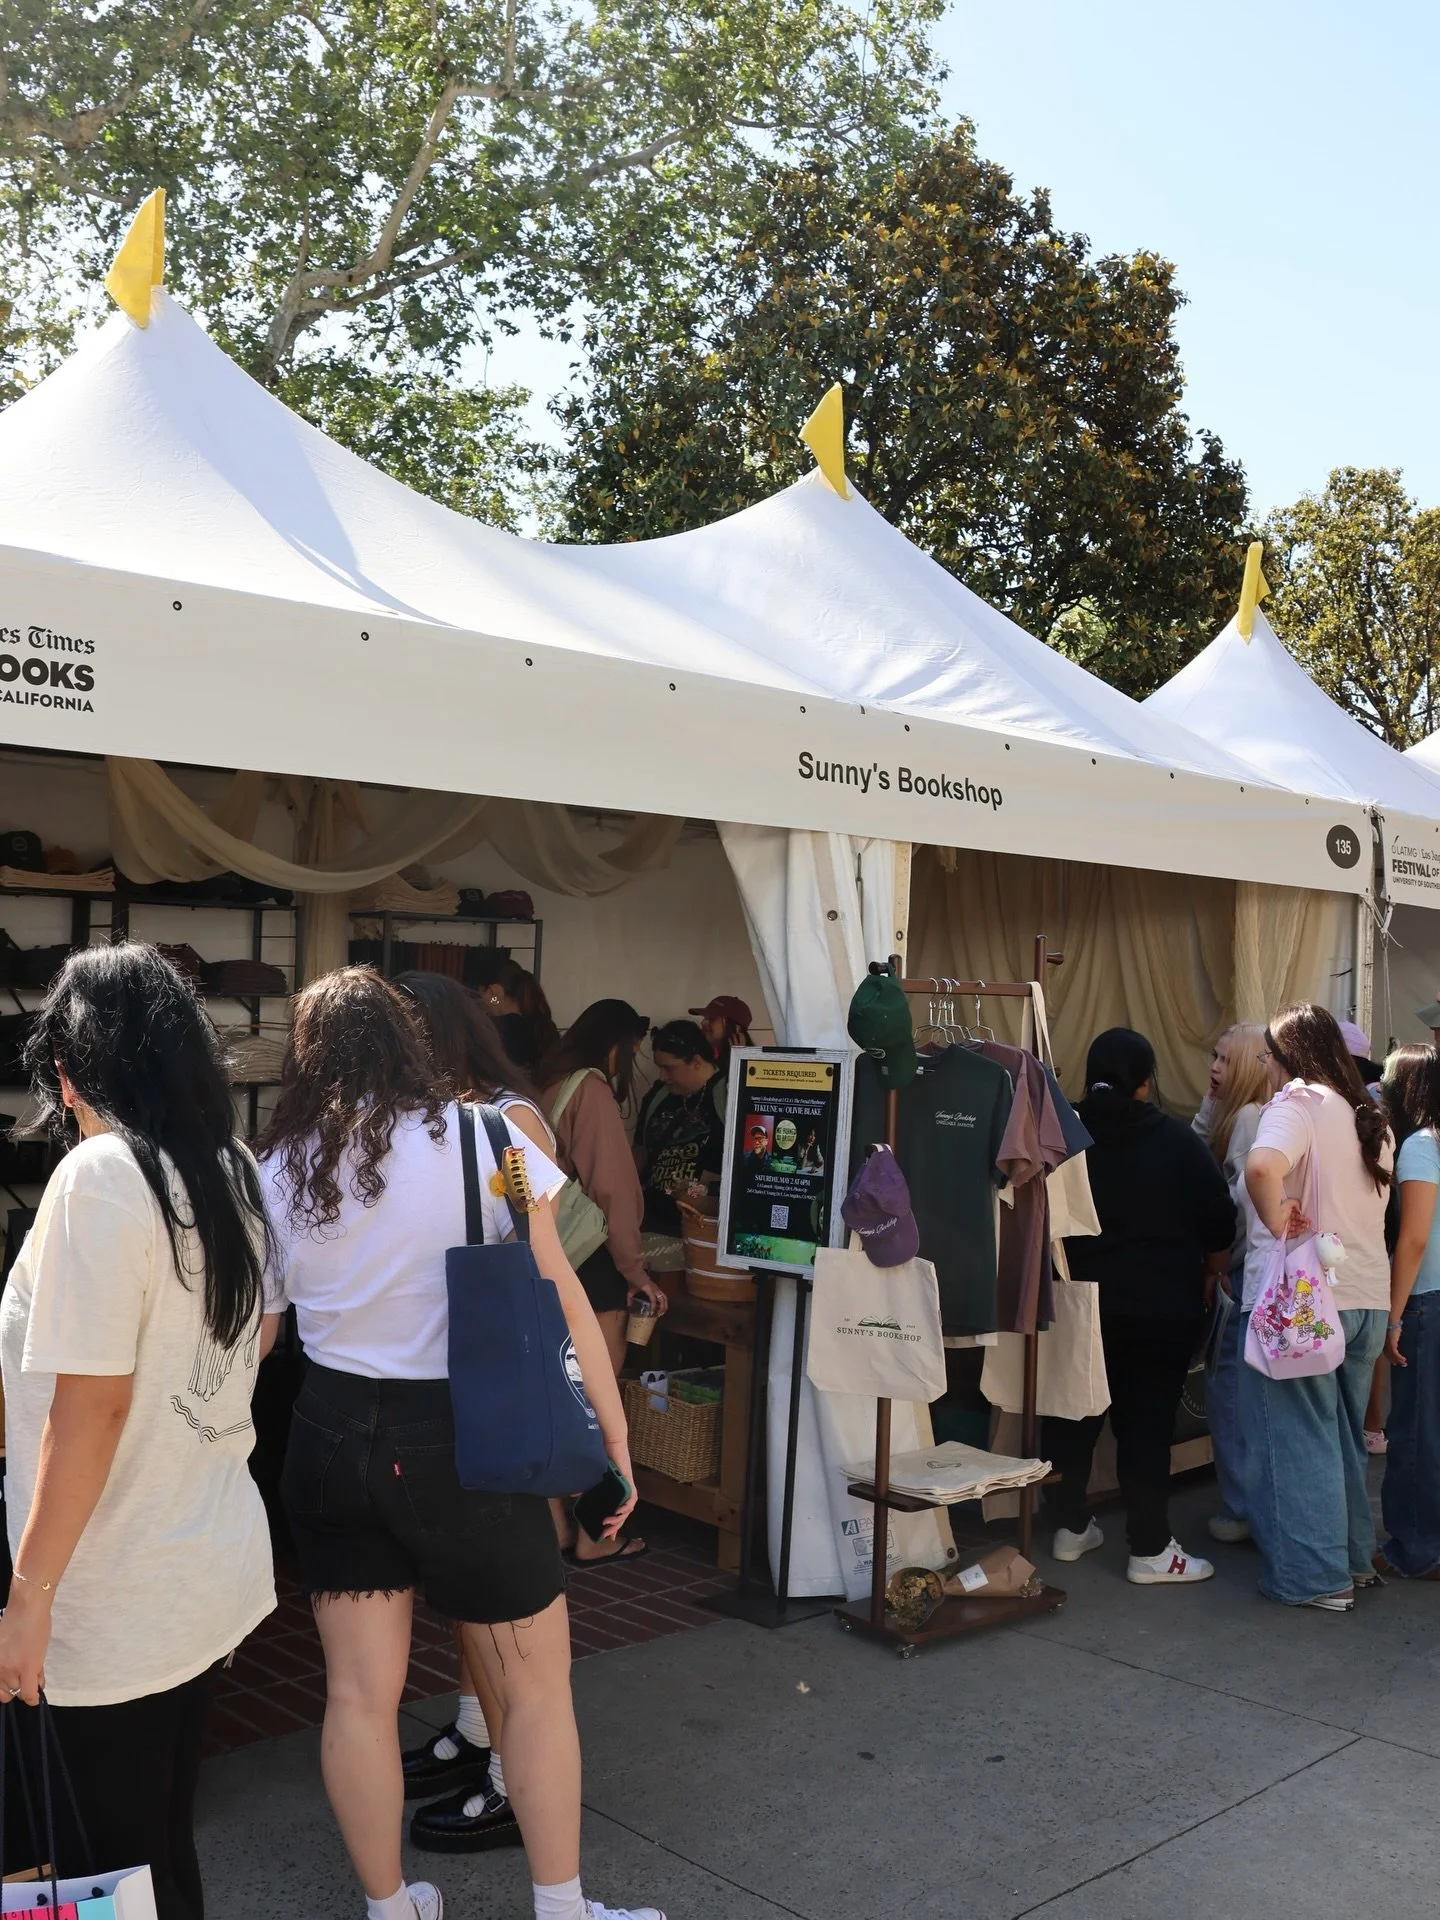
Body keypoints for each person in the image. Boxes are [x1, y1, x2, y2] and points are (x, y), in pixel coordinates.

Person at [259, 967, 663, 1920]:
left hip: (330, 1432)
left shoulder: (277, 1165)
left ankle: (389, 1906)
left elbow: (260, 1337)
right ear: (409, 1040)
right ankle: (561, 1908)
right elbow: (561, 1292)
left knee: (358, 1698)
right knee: (536, 1692)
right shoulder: (491, 1138)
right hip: (465, 1439)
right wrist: (613, 1435)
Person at [0, 945, 276, 1920]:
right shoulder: (230, 1165)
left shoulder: (103, 1176)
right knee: (153, 1858)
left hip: (108, 1590)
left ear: (73, 1069)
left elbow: (94, 1405)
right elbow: (253, 1337)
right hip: (199, 1564)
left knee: (100, 1876)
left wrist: (29, 1597)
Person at [390, 972, 554, 1856]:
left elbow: (540, 1250)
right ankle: (475, 1730)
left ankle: (506, 1777)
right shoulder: (427, 1119)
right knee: (467, 1595)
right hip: (449, 1381)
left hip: (498, 1383)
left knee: (500, 1603)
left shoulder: (507, 1120)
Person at [1045, 1028, 1233, 1585]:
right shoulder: (1176, 1141)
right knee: (1145, 1429)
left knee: (1072, 1419)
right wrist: (1212, 1270)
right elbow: (1219, 1221)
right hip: (1158, 1309)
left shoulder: (1063, 1135)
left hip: (1077, 1303)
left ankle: (1070, 1527)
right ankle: (1149, 1549)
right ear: (1146, 1082)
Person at [1243, 1002, 1394, 1612]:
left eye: (1268, 1056)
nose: (1266, 1067)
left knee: (1300, 1438)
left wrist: (1276, 1216)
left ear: (1287, 1057)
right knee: (1341, 1439)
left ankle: (1316, 1578)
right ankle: (1353, 1560)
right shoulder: (1369, 1116)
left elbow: (1261, 1166)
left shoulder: (1298, 1103)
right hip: (1367, 1299)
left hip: (1310, 1301)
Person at [538, 1000, 664, 1377]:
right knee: (595, 1383)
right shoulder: (589, 1089)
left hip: (546, 1244)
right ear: (614, 1047)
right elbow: (612, 1188)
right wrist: (635, 1271)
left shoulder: (548, 1081)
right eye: (631, 1054)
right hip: (587, 1255)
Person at [1197, 1023, 1273, 1546]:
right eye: (1214, 1056)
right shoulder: (1249, 1113)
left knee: (1226, 1387)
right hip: (1248, 1273)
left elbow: (1240, 1208)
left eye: (1226, 1060)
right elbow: (1196, 1142)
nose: (1214, 1067)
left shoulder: (1248, 1118)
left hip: (1242, 1274)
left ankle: (1243, 1506)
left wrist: (1219, 1266)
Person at [1375, 1044, 1440, 1578]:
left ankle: (1416, 1549)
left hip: (1425, 1302)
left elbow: (1414, 1239)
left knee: (1416, 1430)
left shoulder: (1421, 1145)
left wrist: (1393, 1317)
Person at [635, 1020, 727, 1235]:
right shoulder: (658, 1096)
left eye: (669, 1068)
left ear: (696, 1062)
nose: (662, 1076)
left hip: (701, 1224)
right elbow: (639, 1151)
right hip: (650, 1219)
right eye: (659, 1068)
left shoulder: (727, 1094)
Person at [482, 960, 560, 1073]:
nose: (479, 1004)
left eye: (480, 995)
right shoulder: (541, 1027)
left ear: (495, 992)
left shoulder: (497, 1029)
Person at [688, 995, 753, 1075]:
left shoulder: (753, 1067)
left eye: (712, 1018)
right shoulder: (698, 1055)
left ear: (736, 1028)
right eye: (705, 1017)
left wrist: (738, 1060)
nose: (703, 1022)